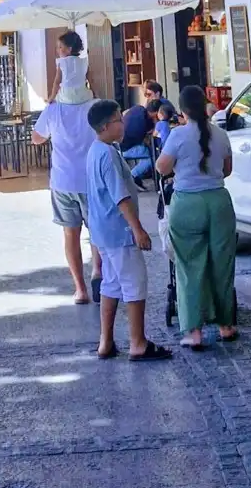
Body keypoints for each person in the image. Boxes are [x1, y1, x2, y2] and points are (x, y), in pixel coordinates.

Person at [85, 98, 170, 361]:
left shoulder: (96, 151)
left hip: (103, 231)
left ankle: (106, 341)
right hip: (118, 231)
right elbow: (120, 195)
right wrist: (138, 229)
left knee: (111, 284)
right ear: (106, 126)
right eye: (119, 120)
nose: (123, 124)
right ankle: (138, 342)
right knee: (134, 283)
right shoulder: (107, 155)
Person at [156, 84, 237, 349]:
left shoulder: (178, 135)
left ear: (182, 110)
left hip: (187, 204)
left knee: (189, 266)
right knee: (222, 265)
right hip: (219, 202)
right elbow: (227, 171)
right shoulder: (222, 134)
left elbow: (162, 167)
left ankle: (194, 331)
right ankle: (226, 325)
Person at [32, 90, 102, 303]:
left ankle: (80, 290)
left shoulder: (53, 110)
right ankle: (98, 271)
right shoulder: (95, 106)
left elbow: (36, 138)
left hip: (63, 181)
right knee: (97, 230)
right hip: (91, 178)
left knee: (70, 234)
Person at [121, 98, 163, 183]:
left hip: (120, 141)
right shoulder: (141, 125)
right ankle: (132, 177)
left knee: (146, 151)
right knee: (152, 157)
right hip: (124, 149)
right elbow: (148, 139)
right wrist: (156, 122)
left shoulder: (138, 108)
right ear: (156, 113)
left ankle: (137, 177)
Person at [48, 30, 93, 105]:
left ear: (69, 49)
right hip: (82, 96)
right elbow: (91, 80)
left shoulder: (62, 63)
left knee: (57, 100)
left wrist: (52, 97)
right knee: (89, 94)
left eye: (60, 47)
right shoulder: (83, 62)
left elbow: (57, 82)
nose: (57, 50)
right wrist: (95, 93)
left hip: (66, 97)